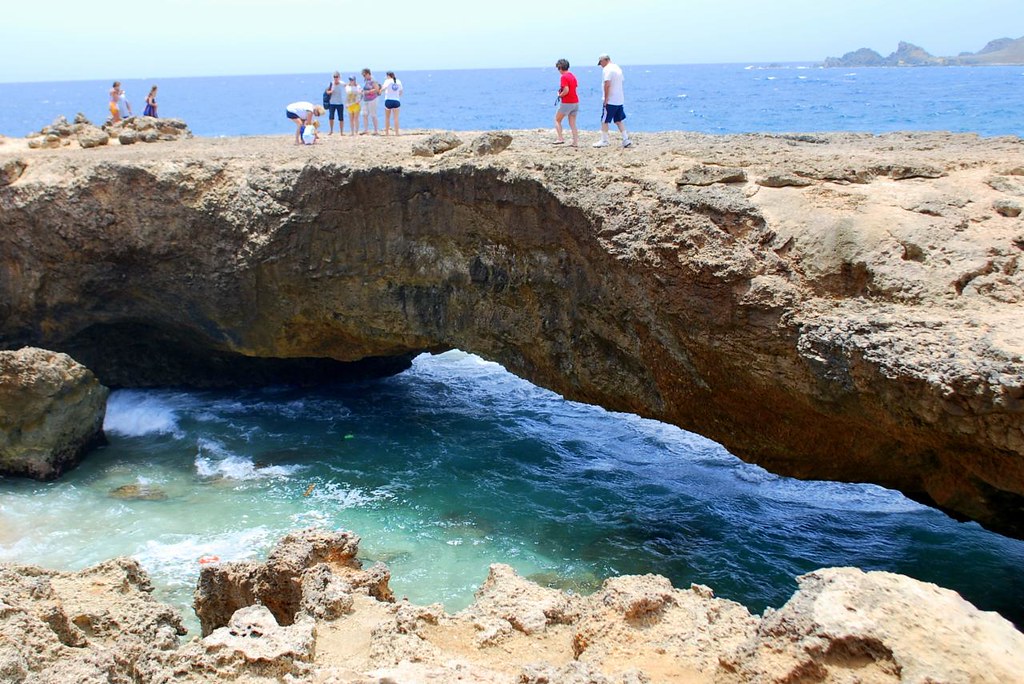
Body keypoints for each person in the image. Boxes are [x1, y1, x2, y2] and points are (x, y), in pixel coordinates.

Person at [594, 54, 631, 148]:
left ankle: (604, 140)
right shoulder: (617, 68)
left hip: (611, 99)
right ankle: (625, 139)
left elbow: (607, 84)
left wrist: (606, 99)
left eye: (601, 63)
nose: (601, 65)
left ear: (604, 60)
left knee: (604, 120)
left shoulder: (607, 69)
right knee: (619, 120)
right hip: (619, 99)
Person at [553, 58, 579, 147]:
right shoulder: (572, 76)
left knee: (557, 120)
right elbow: (574, 87)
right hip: (575, 102)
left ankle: (560, 138)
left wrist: (560, 95)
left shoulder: (564, 77)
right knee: (572, 123)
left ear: (560, 68)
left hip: (567, 102)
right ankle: (575, 142)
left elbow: (566, 90)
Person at [381, 71, 403, 136]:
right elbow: (401, 92)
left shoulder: (387, 81)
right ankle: (397, 133)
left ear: (388, 76)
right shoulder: (398, 81)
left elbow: (383, 88)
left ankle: (387, 133)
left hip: (388, 100)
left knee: (387, 118)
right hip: (396, 101)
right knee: (396, 118)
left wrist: (379, 91)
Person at [360, 68, 380, 135]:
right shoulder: (365, 80)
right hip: (365, 99)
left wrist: (368, 92)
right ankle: (365, 130)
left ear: (368, 74)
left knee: (373, 114)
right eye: (363, 75)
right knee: (364, 114)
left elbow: (377, 89)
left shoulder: (373, 80)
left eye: (364, 75)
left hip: (372, 99)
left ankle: (376, 130)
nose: (364, 76)